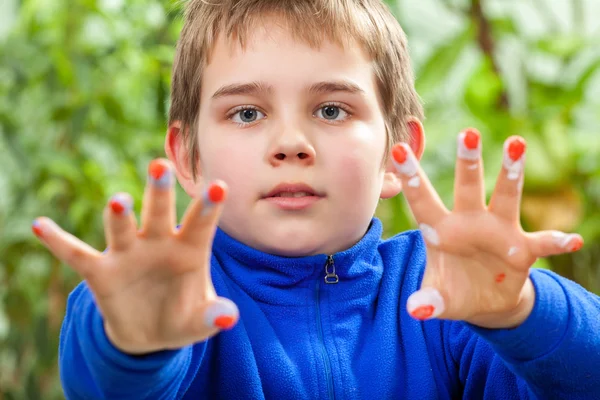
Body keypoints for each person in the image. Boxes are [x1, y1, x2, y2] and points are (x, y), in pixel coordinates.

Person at [33, 0, 600, 398]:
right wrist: (131, 337)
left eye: (332, 109)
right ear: (189, 158)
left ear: (396, 151)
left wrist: (521, 311)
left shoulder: (446, 297)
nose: (290, 144)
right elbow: (105, 383)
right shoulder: (177, 295)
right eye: (247, 113)